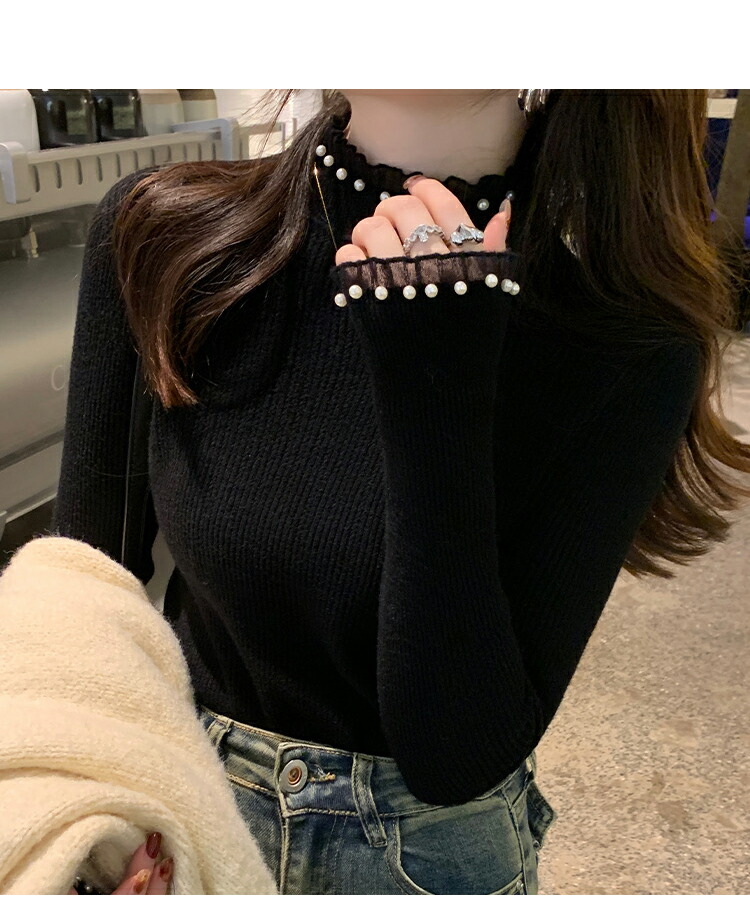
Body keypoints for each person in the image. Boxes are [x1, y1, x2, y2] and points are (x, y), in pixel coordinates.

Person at [54, 89, 750, 895]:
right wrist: (78, 832)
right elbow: (77, 606)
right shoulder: (166, 235)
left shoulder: (621, 338)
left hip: (422, 858)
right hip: (172, 829)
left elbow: (457, 754)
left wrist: (436, 379)